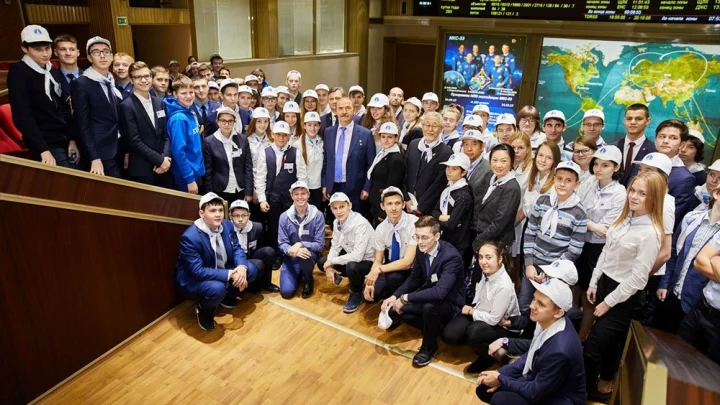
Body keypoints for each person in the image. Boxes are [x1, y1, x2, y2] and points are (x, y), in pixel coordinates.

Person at [584, 171, 665, 402]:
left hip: (624, 298)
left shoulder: (651, 233)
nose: (634, 197)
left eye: (642, 193)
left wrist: (608, 303)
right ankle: (603, 388)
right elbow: (606, 252)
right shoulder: (623, 219)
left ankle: (585, 392)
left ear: (654, 198)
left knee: (592, 348)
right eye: (633, 191)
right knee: (609, 345)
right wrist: (594, 282)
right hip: (605, 284)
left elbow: (638, 280)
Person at [476, 277, 586, 405]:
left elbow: (533, 392)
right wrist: (500, 373)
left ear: (558, 312)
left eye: (541, 304)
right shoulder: (549, 321)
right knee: (484, 388)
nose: (532, 306)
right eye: (534, 299)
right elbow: (531, 353)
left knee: (500, 400)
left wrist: (501, 379)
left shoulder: (559, 351)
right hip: (541, 380)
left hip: (559, 397)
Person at [382, 216, 466, 367]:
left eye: (425, 237)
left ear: (437, 236)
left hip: (450, 302)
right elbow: (414, 278)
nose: (420, 241)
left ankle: (429, 346)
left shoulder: (451, 257)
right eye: (417, 236)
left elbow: (439, 293)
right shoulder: (421, 250)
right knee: (400, 311)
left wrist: (405, 298)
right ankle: (435, 326)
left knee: (428, 308)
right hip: (431, 294)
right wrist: (394, 296)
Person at [175, 193, 257, 331]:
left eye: (220, 210)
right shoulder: (190, 237)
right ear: (201, 213)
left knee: (251, 269)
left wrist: (242, 266)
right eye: (212, 211)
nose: (218, 214)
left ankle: (227, 297)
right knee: (217, 288)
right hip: (195, 278)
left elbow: (237, 248)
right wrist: (230, 274)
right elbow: (198, 271)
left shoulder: (227, 225)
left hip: (220, 267)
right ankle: (204, 310)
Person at [521, 160, 587, 317]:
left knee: (546, 310)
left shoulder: (579, 213)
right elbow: (530, 232)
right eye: (559, 179)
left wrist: (551, 273)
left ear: (577, 184)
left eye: (568, 180)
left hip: (555, 272)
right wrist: (529, 264)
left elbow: (574, 250)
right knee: (524, 305)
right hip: (533, 266)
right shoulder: (542, 201)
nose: (562, 184)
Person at [9, 25, 80, 168]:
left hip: (63, 138)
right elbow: (22, 116)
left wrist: (72, 139)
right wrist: (43, 149)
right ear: (25, 49)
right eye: (38, 49)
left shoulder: (52, 70)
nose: (45, 54)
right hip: (45, 142)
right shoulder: (19, 72)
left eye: (47, 48)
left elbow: (64, 107)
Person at [443, 241, 519, 373]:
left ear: (500, 259)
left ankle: (488, 357)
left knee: (474, 331)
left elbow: (494, 319)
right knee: (450, 335)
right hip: (481, 311)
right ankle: (478, 343)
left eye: (488, 257)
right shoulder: (486, 272)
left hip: (501, 325)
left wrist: (472, 311)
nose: (483, 262)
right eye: (481, 257)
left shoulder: (504, 286)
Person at [576, 146, 626, 340]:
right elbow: (575, 210)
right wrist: (591, 224)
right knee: (575, 287)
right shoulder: (588, 183)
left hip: (599, 249)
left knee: (590, 294)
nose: (598, 169)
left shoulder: (620, 193)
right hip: (580, 242)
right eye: (596, 164)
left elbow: (606, 230)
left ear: (616, 167)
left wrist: (586, 222)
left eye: (605, 165)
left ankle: (582, 338)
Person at [654, 185, 720, 334]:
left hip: (696, 304)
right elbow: (673, 252)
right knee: (656, 337)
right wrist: (664, 283)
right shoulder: (693, 218)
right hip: (671, 292)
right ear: (716, 193)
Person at [72, 36, 122, 177]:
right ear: (89, 57)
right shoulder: (82, 83)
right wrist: (94, 157)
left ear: (111, 56)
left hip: (118, 146)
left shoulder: (112, 81)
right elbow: (83, 124)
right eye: (96, 52)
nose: (102, 56)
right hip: (100, 150)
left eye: (106, 51)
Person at [317, 192, 376, 312]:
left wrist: (332, 261)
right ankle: (356, 280)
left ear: (350, 206)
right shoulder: (336, 222)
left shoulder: (360, 223)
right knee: (322, 262)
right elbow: (335, 245)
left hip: (369, 262)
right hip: (352, 258)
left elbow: (357, 256)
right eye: (335, 208)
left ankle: (356, 292)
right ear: (331, 209)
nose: (339, 211)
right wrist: (329, 265)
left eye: (342, 207)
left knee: (351, 266)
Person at [255, 120, 308, 248]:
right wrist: (262, 199)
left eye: (284, 135)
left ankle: (290, 252)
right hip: (272, 199)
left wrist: (300, 198)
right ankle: (276, 253)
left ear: (289, 136)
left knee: (292, 227)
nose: (281, 138)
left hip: (290, 199)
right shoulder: (265, 152)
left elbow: (302, 177)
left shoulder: (295, 152)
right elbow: (260, 177)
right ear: (272, 135)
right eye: (278, 134)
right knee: (274, 227)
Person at [119, 61, 171, 187]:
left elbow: (166, 134)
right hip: (142, 168)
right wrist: (159, 160)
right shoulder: (126, 106)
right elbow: (134, 141)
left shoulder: (159, 103)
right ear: (131, 80)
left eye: (146, 76)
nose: (143, 80)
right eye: (138, 77)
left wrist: (165, 157)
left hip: (164, 166)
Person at [364, 187, 418, 303]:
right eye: (389, 204)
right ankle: (393, 292)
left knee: (394, 278)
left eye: (397, 203)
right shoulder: (381, 228)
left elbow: (407, 262)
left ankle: (398, 303)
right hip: (391, 266)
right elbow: (378, 260)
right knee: (371, 296)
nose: (394, 208)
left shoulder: (414, 223)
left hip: (412, 269)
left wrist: (378, 270)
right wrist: (370, 281)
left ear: (403, 204)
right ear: (382, 206)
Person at [322, 97, 376, 211]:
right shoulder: (328, 132)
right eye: (340, 108)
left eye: (348, 108)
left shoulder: (365, 134)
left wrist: (366, 187)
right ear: (336, 111)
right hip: (333, 187)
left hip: (356, 188)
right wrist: (325, 184)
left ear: (354, 110)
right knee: (335, 220)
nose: (344, 112)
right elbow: (326, 161)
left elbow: (371, 164)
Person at [513, 142, 560, 262]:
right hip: (529, 228)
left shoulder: (556, 184)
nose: (543, 160)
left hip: (545, 234)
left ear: (555, 161)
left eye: (549, 158)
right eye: (540, 155)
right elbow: (525, 208)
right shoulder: (534, 176)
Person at [678, 231, 720, 365]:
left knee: (709, 371)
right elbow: (699, 261)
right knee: (677, 356)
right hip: (701, 308)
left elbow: (709, 258)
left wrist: (715, 259)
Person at [278, 181, 326, 298]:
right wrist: (292, 251)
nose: (300, 197)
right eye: (296, 194)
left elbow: (320, 244)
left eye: (303, 193)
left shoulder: (318, 215)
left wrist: (300, 244)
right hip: (291, 256)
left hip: (309, 256)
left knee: (304, 254)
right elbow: (282, 243)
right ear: (292, 196)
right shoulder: (284, 217)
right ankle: (299, 272)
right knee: (286, 292)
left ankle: (308, 279)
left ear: (308, 195)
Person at [472, 144, 522, 251]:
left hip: (497, 242)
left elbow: (499, 223)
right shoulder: (490, 176)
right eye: (494, 160)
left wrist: (479, 241)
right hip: (481, 234)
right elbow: (478, 201)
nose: (498, 165)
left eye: (503, 161)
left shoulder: (511, 188)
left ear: (511, 162)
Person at [404, 112, 453, 215]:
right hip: (408, 205)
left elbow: (439, 184)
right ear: (422, 126)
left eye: (434, 126)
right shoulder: (413, 144)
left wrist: (421, 206)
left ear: (441, 129)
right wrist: (406, 198)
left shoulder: (446, 153)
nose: (430, 129)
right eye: (427, 125)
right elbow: (405, 173)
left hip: (428, 209)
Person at [202, 106, 253, 203]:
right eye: (223, 121)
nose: (227, 124)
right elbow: (208, 171)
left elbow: (248, 167)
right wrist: (210, 194)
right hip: (220, 189)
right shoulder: (209, 142)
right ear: (217, 122)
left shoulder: (242, 139)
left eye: (230, 121)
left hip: (240, 189)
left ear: (234, 122)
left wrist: (248, 191)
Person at [228, 199, 280, 293]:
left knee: (269, 251)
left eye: (244, 215)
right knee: (258, 264)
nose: (240, 219)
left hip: (250, 254)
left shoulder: (257, 227)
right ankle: (248, 286)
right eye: (236, 215)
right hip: (234, 260)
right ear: (230, 216)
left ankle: (266, 283)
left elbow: (259, 245)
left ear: (249, 215)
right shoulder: (226, 229)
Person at [653, 119, 697, 228]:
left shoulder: (684, 178)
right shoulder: (643, 164)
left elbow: (673, 215)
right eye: (662, 136)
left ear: (682, 144)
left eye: (673, 138)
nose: (665, 141)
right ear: (655, 139)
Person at [432, 153, 475, 262]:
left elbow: (451, 225)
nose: (449, 171)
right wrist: (443, 217)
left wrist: (436, 224)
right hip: (445, 239)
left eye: (454, 169)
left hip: (457, 243)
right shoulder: (449, 188)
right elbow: (435, 211)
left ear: (463, 172)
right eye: (448, 167)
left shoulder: (463, 194)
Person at [166, 76, 204, 193]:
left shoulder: (190, 111)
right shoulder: (179, 119)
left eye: (191, 92)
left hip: (195, 170)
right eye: (183, 93)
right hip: (186, 176)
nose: (188, 96)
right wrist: (189, 179)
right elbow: (178, 151)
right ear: (175, 94)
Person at [367, 122, 406, 224]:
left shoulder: (396, 159)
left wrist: (383, 212)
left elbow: (392, 188)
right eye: (383, 136)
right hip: (376, 203)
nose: (386, 140)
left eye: (390, 137)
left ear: (396, 138)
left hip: (384, 208)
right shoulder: (383, 153)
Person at [613, 103, 656, 185]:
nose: (633, 122)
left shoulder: (654, 151)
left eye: (638, 119)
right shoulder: (612, 147)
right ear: (624, 121)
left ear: (648, 121)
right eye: (629, 118)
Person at [293, 112, 325, 209]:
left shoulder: (323, 142)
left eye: (315, 125)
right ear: (304, 126)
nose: (313, 128)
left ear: (319, 126)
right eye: (309, 125)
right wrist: (303, 189)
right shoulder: (297, 144)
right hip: (305, 187)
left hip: (319, 187)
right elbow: (299, 170)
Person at [51, 34, 83, 101]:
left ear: (78, 52)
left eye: (72, 49)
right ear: (55, 52)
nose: (68, 53)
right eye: (63, 49)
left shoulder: (89, 77)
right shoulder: (51, 79)